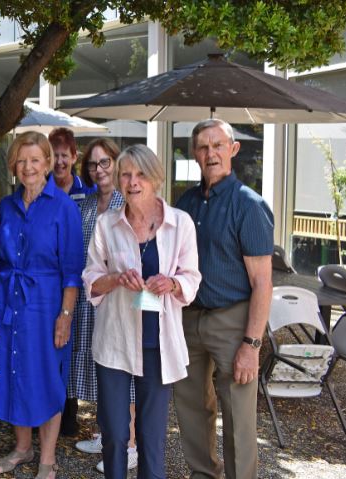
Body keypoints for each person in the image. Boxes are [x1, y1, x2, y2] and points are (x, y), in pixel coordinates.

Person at [83, 145, 202, 479]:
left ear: (156, 178)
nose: (133, 182)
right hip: (115, 341)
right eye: (126, 174)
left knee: (151, 438)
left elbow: (192, 278)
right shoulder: (108, 224)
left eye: (140, 174)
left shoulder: (180, 224)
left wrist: (173, 284)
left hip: (158, 345)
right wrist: (115, 279)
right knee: (116, 433)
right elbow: (91, 280)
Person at [173, 119, 273, 479]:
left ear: (233, 149)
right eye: (202, 146)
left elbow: (262, 283)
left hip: (232, 321)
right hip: (187, 319)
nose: (210, 153)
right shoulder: (184, 202)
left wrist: (252, 343)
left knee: (238, 417)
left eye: (218, 145)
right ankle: (203, 474)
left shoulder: (249, 205)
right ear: (195, 154)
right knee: (191, 409)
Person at [0, 132, 83, 479]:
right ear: (14, 165)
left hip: (47, 306)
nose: (28, 167)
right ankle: (23, 448)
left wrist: (66, 316)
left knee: (47, 378)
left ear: (47, 164)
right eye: (21, 160)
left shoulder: (64, 207)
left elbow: (72, 271)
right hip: (9, 302)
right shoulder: (6, 207)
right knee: (13, 372)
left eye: (35, 160)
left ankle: (47, 458)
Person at [71, 139, 139, 473]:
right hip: (89, 297)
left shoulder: (124, 202)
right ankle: (104, 431)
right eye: (93, 165)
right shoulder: (85, 205)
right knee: (100, 367)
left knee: (121, 366)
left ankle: (130, 443)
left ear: (117, 163)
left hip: (118, 299)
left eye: (105, 162)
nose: (99, 170)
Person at [46, 127, 94, 438]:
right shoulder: (40, 189)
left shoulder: (86, 192)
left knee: (75, 346)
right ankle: (48, 409)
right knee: (51, 345)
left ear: (74, 157)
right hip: (49, 282)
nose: (60, 161)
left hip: (82, 281)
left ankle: (68, 414)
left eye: (65, 155)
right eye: (55, 156)